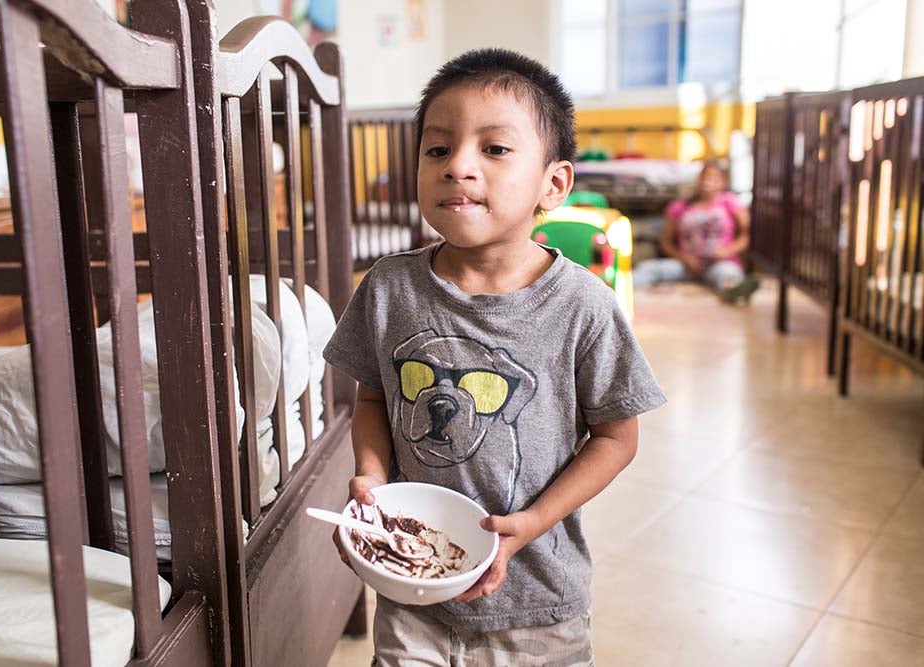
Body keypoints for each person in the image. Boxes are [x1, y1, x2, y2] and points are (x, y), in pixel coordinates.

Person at [323, 48, 666, 667]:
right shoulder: (387, 288)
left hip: (538, 603)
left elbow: (617, 437)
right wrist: (373, 478)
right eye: (437, 149)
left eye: (495, 149)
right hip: (415, 586)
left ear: (553, 183)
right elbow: (373, 397)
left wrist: (533, 521)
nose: (459, 167)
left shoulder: (583, 306)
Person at [632, 160, 760, 303]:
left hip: (720, 263)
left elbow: (746, 235)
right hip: (687, 265)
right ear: (698, 179)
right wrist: (684, 258)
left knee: (728, 275)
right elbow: (666, 242)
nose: (708, 181)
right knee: (650, 269)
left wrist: (727, 251)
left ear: (722, 182)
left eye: (714, 177)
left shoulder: (729, 202)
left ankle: (732, 290)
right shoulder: (680, 206)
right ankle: (615, 289)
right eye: (704, 176)